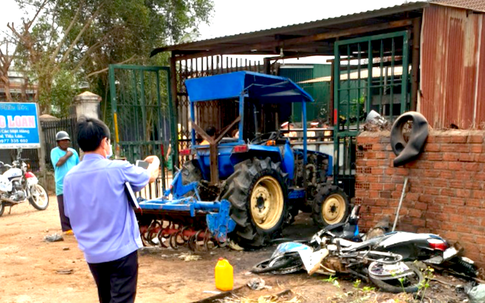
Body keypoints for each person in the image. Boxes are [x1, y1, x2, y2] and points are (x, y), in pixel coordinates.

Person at [63, 116, 160, 303]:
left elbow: (70, 213)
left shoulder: (69, 178)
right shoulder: (117, 169)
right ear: (103, 142)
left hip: (93, 254)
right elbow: (149, 176)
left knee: (106, 298)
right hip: (121, 252)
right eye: (108, 141)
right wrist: (154, 161)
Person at [50, 130, 79, 235]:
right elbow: (58, 163)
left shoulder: (74, 152)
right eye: (62, 141)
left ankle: (76, 225)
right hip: (61, 183)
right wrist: (67, 155)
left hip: (73, 183)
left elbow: (78, 165)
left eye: (67, 141)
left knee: (75, 205)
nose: (65, 142)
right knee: (63, 205)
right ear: (58, 142)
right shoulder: (55, 152)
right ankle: (66, 228)